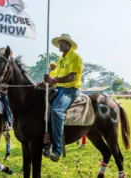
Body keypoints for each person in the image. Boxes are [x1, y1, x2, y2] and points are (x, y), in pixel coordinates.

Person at [44, 34, 83, 162]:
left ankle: (57, 149)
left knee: (57, 110)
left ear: (68, 45)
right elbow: (56, 80)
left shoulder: (75, 57)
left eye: (62, 43)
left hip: (70, 89)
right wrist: (47, 83)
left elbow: (71, 77)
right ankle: (47, 140)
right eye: (59, 43)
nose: (59, 45)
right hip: (59, 88)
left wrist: (54, 79)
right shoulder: (60, 59)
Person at [0, 47, 13, 130]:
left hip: (6, 91)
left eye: (3, 54)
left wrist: (5, 86)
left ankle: (8, 122)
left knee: (6, 101)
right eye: (0, 54)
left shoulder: (10, 65)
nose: (1, 55)